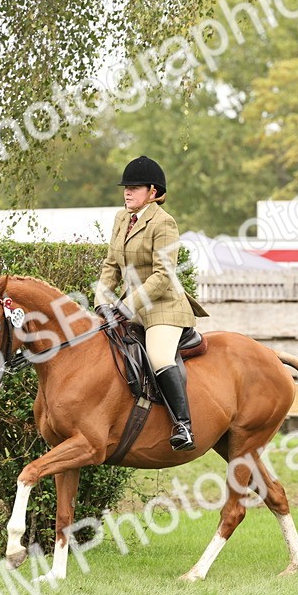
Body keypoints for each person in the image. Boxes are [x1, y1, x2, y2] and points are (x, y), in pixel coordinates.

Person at [94, 156, 209, 451]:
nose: (127, 192)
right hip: (132, 308)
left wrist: (126, 306)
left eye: (135, 187)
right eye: (126, 187)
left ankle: (183, 426)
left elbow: (162, 276)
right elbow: (111, 266)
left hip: (164, 308)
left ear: (153, 192)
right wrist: (101, 302)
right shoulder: (122, 219)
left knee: (158, 356)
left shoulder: (164, 223)